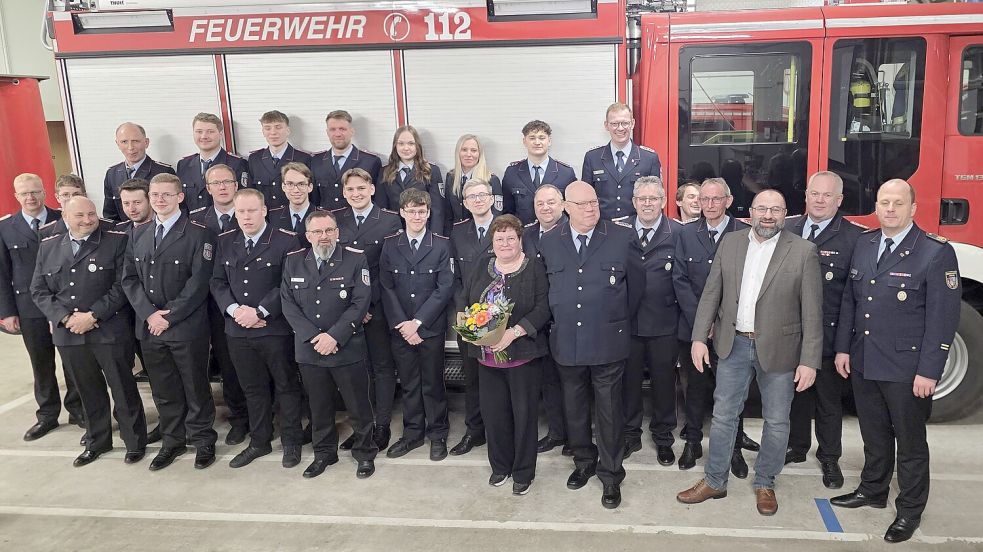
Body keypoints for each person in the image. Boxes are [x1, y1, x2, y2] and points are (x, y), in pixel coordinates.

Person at [677, 189, 822, 517]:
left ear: (786, 214)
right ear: (749, 212)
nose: (768, 215)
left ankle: (766, 482)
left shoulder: (803, 251)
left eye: (775, 209)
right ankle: (715, 480)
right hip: (733, 343)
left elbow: (813, 312)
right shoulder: (730, 243)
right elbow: (712, 292)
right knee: (724, 415)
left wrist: (810, 360)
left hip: (781, 349)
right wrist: (699, 337)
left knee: (776, 419)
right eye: (762, 209)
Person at [831, 179, 961, 544]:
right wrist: (843, 349)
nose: (889, 209)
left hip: (907, 368)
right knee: (873, 434)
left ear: (913, 208)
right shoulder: (865, 243)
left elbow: (943, 318)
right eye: (883, 202)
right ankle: (872, 489)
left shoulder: (934, 252)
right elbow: (850, 302)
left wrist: (929, 371)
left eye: (897, 203)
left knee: (910, 443)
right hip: (865, 359)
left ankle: (909, 510)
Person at [538, 181, 643, 509]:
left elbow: (636, 290)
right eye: (582, 204)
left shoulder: (621, 237)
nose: (590, 209)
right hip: (567, 341)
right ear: (566, 207)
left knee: (610, 410)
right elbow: (546, 290)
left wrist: (615, 322)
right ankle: (583, 461)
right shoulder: (549, 241)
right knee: (575, 407)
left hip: (607, 341)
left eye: (594, 203)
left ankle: (611, 475)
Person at [30, 197, 147, 466]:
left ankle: (134, 442)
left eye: (91, 214)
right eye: (80, 215)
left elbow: (121, 286)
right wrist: (65, 318)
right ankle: (97, 442)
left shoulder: (116, 240)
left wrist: (93, 315)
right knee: (88, 390)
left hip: (109, 329)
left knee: (122, 387)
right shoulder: (48, 246)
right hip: (69, 333)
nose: (87, 220)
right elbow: (38, 290)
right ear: (64, 218)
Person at [122, 173, 218, 471]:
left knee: (195, 386)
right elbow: (129, 279)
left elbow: (199, 282)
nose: (160, 200)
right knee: (163, 389)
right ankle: (172, 441)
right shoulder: (138, 233)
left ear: (180, 197)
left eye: (166, 194)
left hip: (185, 326)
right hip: (150, 327)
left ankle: (203, 439)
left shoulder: (199, 233)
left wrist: (170, 316)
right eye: (155, 195)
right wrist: (150, 314)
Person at [210, 188, 304, 469]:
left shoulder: (286, 241)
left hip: (274, 328)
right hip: (238, 330)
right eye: (241, 211)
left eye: (252, 210)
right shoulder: (226, 241)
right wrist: (235, 311)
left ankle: (291, 442)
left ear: (265, 211)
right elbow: (217, 282)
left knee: (286, 386)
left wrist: (260, 311)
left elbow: (288, 283)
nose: (247, 216)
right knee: (253, 388)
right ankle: (260, 441)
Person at [280, 210, 378, 479]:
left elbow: (360, 302)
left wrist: (334, 336)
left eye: (329, 231)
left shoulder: (356, 259)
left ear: (337, 232)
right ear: (308, 235)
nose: (324, 237)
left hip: (346, 346)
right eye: (317, 232)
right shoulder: (293, 262)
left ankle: (364, 453)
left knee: (358, 406)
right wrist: (314, 337)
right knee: (318, 406)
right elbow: (288, 305)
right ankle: (324, 453)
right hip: (310, 349)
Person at [672, 177, 760, 474]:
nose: (708, 205)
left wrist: (719, 321)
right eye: (703, 200)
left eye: (715, 199)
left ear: (728, 200)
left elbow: (748, 286)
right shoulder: (684, 234)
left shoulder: (745, 234)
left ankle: (733, 449)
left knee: (733, 392)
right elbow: (680, 280)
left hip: (733, 329)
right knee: (693, 389)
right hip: (693, 328)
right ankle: (693, 442)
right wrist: (703, 322)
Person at [461, 214, 551, 495]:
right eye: (500, 238)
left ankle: (523, 472)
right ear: (493, 242)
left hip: (522, 355)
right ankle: (500, 467)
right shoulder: (482, 266)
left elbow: (543, 308)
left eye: (511, 238)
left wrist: (513, 332)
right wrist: (473, 331)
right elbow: (467, 301)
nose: (505, 243)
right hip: (487, 358)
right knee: (494, 415)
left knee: (524, 416)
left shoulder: (534, 267)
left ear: (520, 240)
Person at [785, 171, 865, 489]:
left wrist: (844, 344)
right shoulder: (787, 228)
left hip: (829, 335)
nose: (819, 200)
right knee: (795, 395)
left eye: (827, 196)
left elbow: (852, 299)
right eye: (814, 193)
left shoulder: (854, 238)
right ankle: (796, 446)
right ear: (806, 195)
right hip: (791, 332)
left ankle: (829, 457)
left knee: (828, 400)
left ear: (839, 201)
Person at [0, 173, 85, 441]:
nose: (30, 197)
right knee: (41, 363)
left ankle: (78, 409)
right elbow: (2, 272)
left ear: (45, 192)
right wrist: (7, 311)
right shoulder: (5, 228)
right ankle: (47, 415)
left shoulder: (64, 219)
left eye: (35, 191)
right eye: (24, 193)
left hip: (64, 304)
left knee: (73, 362)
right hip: (29, 307)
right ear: (16, 196)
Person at [379, 188, 454, 461]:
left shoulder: (442, 244)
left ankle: (437, 434)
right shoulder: (391, 244)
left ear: (428, 212)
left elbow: (444, 288)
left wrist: (418, 323)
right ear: (402, 212)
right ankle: (412, 435)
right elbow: (386, 287)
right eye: (411, 211)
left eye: (422, 211)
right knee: (409, 383)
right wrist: (403, 324)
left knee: (433, 383)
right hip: (401, 329)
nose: (417, 216)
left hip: (429, 329)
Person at [334, 168, 402, 450]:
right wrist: (352, 308)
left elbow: (389, 270)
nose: (356, 194)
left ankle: (382, 425)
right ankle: (363, 426)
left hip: (377, 307)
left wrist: (366, 304)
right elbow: (335, 266)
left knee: (382, 368)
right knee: (356, 371)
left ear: (372, 189)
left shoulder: (389, 220)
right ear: (344, 193)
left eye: (361, 188)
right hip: (345, 310)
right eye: (350, 190)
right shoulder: (336, 220)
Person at [616, 177, 682, 463]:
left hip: (664, 322)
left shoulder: (678, 232)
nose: (647, 203)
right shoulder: (617, 231)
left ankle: (663, 437)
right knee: (628, 383)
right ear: (633, 202)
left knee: (664, 382)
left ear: (663, 201)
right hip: (627, 323)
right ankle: (630, 434)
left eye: (653, 198)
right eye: (641, 199)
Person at [189, 164, 249, 445]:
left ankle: (251, 417)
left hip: (245, 306)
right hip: (207, 306)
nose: (222, 187)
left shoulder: (250, 212)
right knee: (225, 367)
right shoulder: (196, 220)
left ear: (236, 185)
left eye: (227, 181)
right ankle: (238, 417)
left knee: (243, 366)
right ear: (208, 188)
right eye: (216, 183)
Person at [448, 179, 497, 456]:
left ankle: (502, 428)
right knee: (473, 378)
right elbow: (453, 277)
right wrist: (462, 308)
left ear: (492, 198)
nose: (478, 200)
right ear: (464, 204)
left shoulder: (508, 226)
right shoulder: (457, 232)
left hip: (501, 317)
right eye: (471, 197)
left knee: (501, 377)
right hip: (469, 318)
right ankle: (474, 431)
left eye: (482, 195)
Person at [520, 184, 570, 456]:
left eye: (551, 202)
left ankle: (576, 434)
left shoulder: (573, 232)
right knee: (548, 379)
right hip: (537, 319)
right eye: (540, 203)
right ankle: (557, 432)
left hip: (566, 317)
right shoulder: (525, 235)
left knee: (572, 380)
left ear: (562, 205)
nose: (546, 208)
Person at [582, 103, 662, 220]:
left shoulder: (649, 158)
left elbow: (657, 198)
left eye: (625, 123)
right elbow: (585, 198)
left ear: (632, 123)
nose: (620, 128)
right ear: (606, 125)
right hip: (603, 227)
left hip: (636, 228)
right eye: (614, 124)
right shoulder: (592, 157)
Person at [375, 125, 446, 236]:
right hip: (395, 233)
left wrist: (435, 237)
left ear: (417, 146)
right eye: (401, 143)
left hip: (424, 232)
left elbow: (437, 210)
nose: (406, 148)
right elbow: (382, 208)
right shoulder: (385, 172)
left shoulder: (431, 171)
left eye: (411, 143)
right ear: (395, 146)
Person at [502, 120, 576, 224]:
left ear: (549, 141)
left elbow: (572, 210)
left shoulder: (566, 173)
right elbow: (507, 212)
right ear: (524, 141)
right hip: (524, 235)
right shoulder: (512, 173)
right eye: (532, 138)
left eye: (542, 138)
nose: (537, 142)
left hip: (557, 235)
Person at [175, 112, 248, 212]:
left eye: (210, 131)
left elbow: (244, 200)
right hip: (192, 225)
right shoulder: (183, 165)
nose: (204, 136)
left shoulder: (237, 164)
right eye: (199, 131)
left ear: (220, 134)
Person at [102, 122, 174, 222]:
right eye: (124, 142)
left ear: (146, 142)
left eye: (135, 141)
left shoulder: (163, 172)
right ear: (117, 144)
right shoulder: (112, 174)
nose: (130, 147)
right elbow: (110, 216)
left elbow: (173, 211)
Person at [310, 110, 382, 210]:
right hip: (326, 221)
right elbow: (313, 199)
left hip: (356, 222)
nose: (337, 134)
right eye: (332, 129)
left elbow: (377, 199)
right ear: (327, 132)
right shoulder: (316, 161)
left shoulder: (370, 162)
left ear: (352, 131)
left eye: (342, 129)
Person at [247, 110, 312, 210]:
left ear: (288, 130)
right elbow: (251, 194)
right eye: (268, 128)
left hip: (292, 217)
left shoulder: (303, 159)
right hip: (265, 218)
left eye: (278, 127)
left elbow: (311, 194)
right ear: (263, 132)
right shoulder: (255, 159)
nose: (273, 132)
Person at [444, 134, 504, 227]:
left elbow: (497, 214)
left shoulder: (491, 180)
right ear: (458, 152)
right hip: (456, 235)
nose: (469, 154)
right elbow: (448, 213)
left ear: (479, 154)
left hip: (482, 235)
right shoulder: (451, 177)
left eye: (474, 150)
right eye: (464, 150)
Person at [40, 174, 114, 240]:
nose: (71, 198)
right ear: (57, 198)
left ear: (84, 195)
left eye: (76, 194)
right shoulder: (46, 234)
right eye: (65, 195)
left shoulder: (108, 227)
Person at [268, 162, 320, 247]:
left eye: (301, 184)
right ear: (283, 187)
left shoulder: (322, 216)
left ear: (310, 187)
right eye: (290, 184)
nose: (296, 190)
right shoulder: (273, 216)